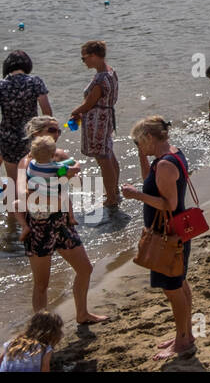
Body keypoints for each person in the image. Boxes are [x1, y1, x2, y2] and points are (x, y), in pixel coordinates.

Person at [16, 119, 106, 325]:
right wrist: (55, 190)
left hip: (63, 222)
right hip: (39, 226)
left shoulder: (62, 156)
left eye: (58, 130)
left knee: (85, 269)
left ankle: (82, 314)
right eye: (52, 130)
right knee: (41, 283)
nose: (57, 134)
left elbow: (77, 183)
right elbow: (24, 194)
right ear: (37, 133)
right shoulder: (26, 162)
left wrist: (67, 176)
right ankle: (41, 328)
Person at [121, 116, 195, 360]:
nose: (138, 146)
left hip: (168, 233)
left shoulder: (164, 165)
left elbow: (169, 203)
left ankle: (183, 341)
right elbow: (150, 182)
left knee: (173, 289)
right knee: (180, 282)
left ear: (150, 138)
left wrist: (136, 196)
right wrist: (142, 155)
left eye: (139, 142)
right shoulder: (170, 155)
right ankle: (185, 334)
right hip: (177, 230)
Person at [0, 52, 53, 225]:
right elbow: (47, 112)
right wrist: (47, 134)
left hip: (7, 138)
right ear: (27, 65)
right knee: (32, 179)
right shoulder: (35, 82)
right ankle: (34, 219)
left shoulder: (1, 85)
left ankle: (12, 222)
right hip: (31, 137)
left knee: (12, 181)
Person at [66, 40, 120, 210]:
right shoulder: (111, 72)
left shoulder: (100, 79)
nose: (84, 62)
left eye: (85, 58)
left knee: (103, 159)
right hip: (107, 117)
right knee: (108, 154)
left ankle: (111, 197)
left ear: (94, 56)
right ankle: (114, 191)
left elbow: (89, 104)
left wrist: (75, 111)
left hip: (98, 121)